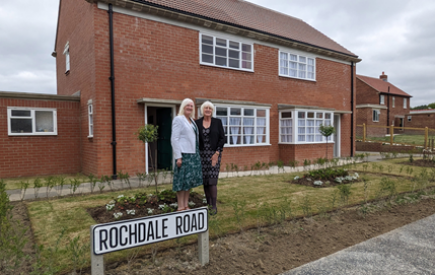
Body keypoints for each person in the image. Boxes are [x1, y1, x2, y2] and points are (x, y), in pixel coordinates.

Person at [171, 98, 203, 211]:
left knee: (188, 182)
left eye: (191, 106)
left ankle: (185, 205)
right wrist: (178, 156)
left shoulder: (192, 120)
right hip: (184, 155)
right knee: (182, 181)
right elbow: (174, 139)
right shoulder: (178, 119)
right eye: (187, 105)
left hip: (193, 154)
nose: (189, 107)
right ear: (183, 106)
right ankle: (180, 206)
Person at [195, 101, 225, 214]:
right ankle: (207, 204)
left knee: (212, 181)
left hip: (214, 154)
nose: (208, 110)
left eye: (210, 108)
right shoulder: (197, 123)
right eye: (206, 108)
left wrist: (217, 153)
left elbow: (222, 139)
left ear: (212, 110)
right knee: (205, 181)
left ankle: (213, 206)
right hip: (201, 155)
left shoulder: (217, 122)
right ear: (202, 110)